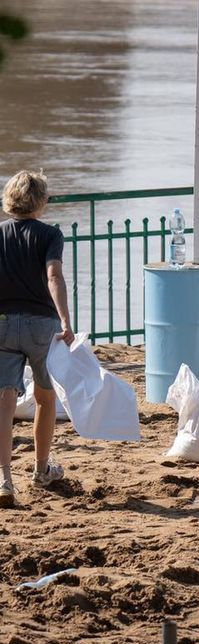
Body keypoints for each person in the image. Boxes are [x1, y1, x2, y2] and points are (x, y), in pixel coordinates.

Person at [0, 171, 75, 508]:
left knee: (4, 403)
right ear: (41, 202)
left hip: (2, 323)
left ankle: (4, 479)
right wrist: (65, 320)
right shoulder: (50, 235)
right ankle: (41, 469)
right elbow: (54, 276)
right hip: (41, 324)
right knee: (45, 398)